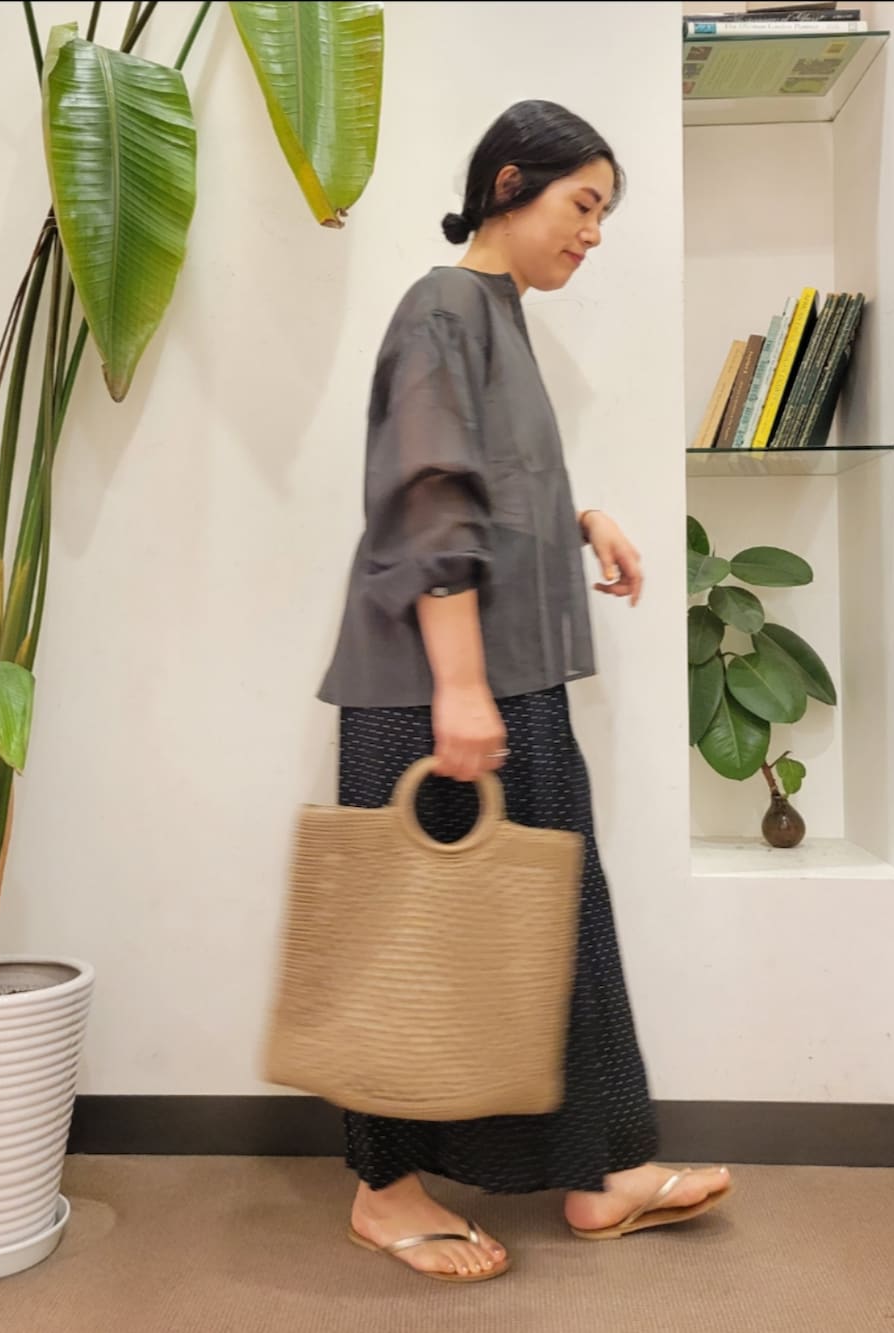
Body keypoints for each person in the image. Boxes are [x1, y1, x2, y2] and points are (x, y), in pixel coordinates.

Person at [318, 99, 733, 1283]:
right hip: (438, 687)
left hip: (505, 680)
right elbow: (427, 495)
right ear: (510, 183)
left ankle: (600, 1174)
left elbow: (489, 477)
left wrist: (580, 512)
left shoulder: (494, 317)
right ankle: (384, 1193)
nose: (593, 233)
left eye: (603, 214)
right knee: (415, 940)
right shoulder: (443, 306)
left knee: (557, 924)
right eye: (583, 204)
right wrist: (458, 686)